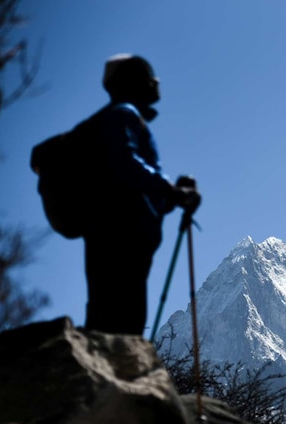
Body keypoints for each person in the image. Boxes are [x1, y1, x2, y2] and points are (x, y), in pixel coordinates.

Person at [82, 54, 200, 335]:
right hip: (120, 234)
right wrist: (170, 189)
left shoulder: (119, 117)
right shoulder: (123, 114)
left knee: (112, 311)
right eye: (148, 75)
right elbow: (126, 164)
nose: (155, 82)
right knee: (120, 315)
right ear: (133, 81)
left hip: (117, 232)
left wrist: (171, 196)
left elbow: (134, 186)